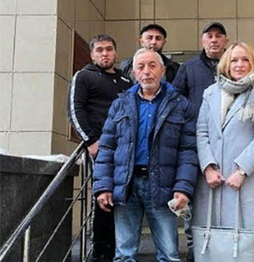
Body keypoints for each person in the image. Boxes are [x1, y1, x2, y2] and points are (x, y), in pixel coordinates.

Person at [92, 48, 198, 262]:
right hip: (126, 185)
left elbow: (188, 150)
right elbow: (107, 148)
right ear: (133, 72)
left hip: (163, 186)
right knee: (124, 254)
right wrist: (103, 186)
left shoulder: (180, 105)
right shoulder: (120, 104)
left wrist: (183, 187)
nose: (146, 71)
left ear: (162, 70)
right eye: (140, 67)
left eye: (152, 66)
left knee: (169, 255)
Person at [192, 42, 254, 262]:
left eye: (245, 59)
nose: (239, 65)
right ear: (225, 64)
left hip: (249, 180)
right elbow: (201, 132)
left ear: (253, 63)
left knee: (249, 248)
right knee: (216, 248)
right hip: (214, 181)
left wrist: (242, 171)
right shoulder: (210, 92)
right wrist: (208, 167)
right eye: (234, 60)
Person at [67, 34, 132, 262]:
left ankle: (120, 250)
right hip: (100, 150)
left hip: (126, 151)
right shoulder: (84, 76)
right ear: (93, 54)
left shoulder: (126, 82)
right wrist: (91, 142)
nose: (105, 53)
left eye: (109, 49)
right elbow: (75, 110)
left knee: (123, 200)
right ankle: (101, 254)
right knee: (102, 202)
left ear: (115, 53)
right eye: (100, 50)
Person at [172, 21, 229, 262]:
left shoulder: (234, 65)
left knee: (226, 200)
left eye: (219, 36)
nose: (214, 40)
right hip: (195, 143)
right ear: (202, 41)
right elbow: (175, 100)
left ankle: (225, 252)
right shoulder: (189, 68)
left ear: (226, 41)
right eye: (209, 36)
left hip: (228, 143)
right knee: (195, 203)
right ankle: (196, 252)